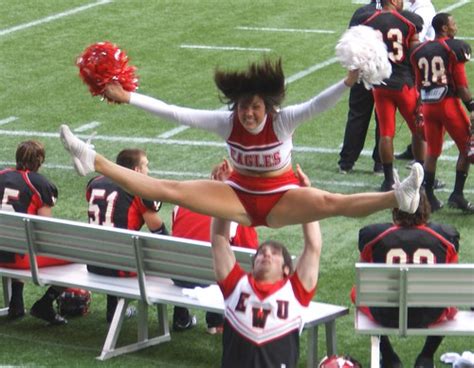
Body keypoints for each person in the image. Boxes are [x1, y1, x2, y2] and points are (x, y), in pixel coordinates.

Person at [60, 58, 425, 229]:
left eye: (255, 107)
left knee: (332, 203)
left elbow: (316, 105)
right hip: (236, 194)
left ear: (267, 106)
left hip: (281, 195)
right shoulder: (226, 121)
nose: (249, 114)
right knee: (168, 189)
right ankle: (92, 159)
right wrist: (129, 97)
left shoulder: (283, 120)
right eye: (243, 107)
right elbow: (174, 113)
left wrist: (347, 83)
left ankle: (399, 196)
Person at [210, 165, 322, 367]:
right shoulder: (236, 284)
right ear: (253, 265)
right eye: (261, 252)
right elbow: (219, 241)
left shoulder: (296, 291)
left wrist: (307, 196)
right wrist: (224, 192)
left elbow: (313, 247)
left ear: (286, 270)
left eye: (275, 253)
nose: (266, 254)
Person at [352, 190, 459, 368]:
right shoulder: (445, 236)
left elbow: (364, 275)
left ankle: (389, 357)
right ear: (425, 208)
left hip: (386, 314)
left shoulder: (373, 234)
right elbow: (452, 280)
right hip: (431, 313)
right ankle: (426, 356)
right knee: (448, 295)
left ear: (397, 207)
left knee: (361, 292)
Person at [171, 159, 258, 334]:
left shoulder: (181, 204)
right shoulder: (237, 211)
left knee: (198, 253)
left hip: (177, 274)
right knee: (225, 261)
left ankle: (180, 316)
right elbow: (250, 253)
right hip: (210, 278)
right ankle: (216, 322)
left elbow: (179, 234)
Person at [85, 148, 167, 322]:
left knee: (110, 242)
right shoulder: (138, 190)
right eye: (146, 166)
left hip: (94, 261)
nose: (148, 171)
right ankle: (181, 317)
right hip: (121, 266)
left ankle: (113, 308)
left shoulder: (95, 183)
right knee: (162, 259)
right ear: (136, 170)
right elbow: (157, 230)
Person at [354, 0, 427, 191]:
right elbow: (416, 55)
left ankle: (388, 180)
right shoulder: (410, 20)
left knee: (386, 134)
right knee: (419, 131)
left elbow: (360, 53)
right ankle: (423, 178)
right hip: (404, 84)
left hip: (380, 83)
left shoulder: (367, 20)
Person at [411, 13, 474, 212]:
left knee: (433, 151)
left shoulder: (419, 50)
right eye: (453, 23)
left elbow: (418, 83)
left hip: (428, 105)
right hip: (448, 105)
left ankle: (428, 194)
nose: (456, 26)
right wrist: (472, 107)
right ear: (444, 28)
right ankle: (457, 194)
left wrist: (419, 107)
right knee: (468, 148)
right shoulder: (453, 48)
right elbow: (462, 87)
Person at [0, 140, 67, 325]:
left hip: (2, 250)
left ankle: (17, 301)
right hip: (19, 258)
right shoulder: (39, 183)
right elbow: (45, 229)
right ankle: (46, 303)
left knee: (15, 240)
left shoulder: (2, 174)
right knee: (77, 257)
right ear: (39, 160)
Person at [338, 0, 382, 175]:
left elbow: (349, 45)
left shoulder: (362, 13)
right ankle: (380, 163)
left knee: (357, 116)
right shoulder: (396, 16)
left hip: (362, 72)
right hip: (385, 75)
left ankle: (346, 162)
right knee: (384, 119)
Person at [396, 0, 436, 161]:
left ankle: (424, 158)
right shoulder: (414, 6)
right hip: (415, 64)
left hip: (419, 65)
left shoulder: (423, 10)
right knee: (414, 113)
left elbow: (415, 36)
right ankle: (413, 149)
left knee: (419, 113)